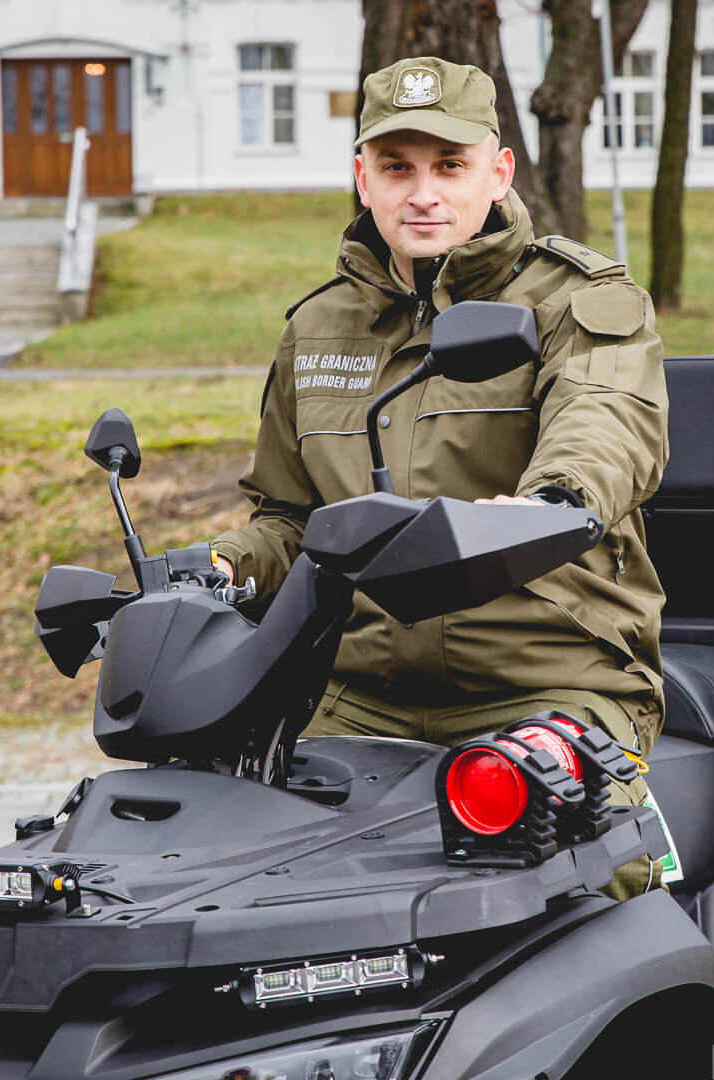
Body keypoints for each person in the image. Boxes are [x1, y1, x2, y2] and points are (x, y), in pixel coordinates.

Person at [208, 56, 670, 898]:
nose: (423, 193)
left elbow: (604, 430)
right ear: (362, 179)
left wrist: (544, 509)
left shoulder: (579, 300)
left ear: (499, 173)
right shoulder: (319, 327)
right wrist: (219, 567)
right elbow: (287, 516)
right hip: (361, 693)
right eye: (397, 167)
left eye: (449, 166)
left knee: (573, 902)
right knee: (247, 878)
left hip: (546, 677)